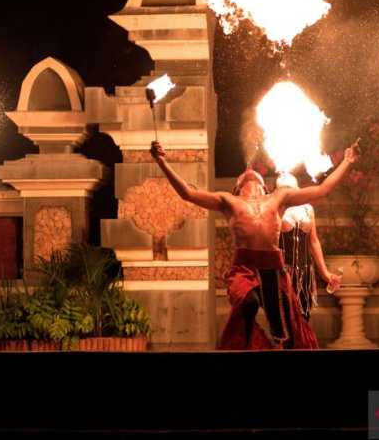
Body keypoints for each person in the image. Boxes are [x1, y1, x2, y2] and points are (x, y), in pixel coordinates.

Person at [150, 139, 360, 349]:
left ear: (265, 186)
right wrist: (161, 162)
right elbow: (188, 193)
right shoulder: (228, 201)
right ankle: (248, 345)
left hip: (274, 267)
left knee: (284, 330)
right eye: (244, 173)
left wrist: (347, 161)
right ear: (236, 187)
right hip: (244, 267)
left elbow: (323, 190)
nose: (249, 170)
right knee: (248, 302)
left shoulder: (279, 197)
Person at [277, 172, 341, 320]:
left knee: (304, 316)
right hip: (282, 272)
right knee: (285, 319)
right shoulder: (275, 208)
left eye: (290, 189)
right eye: (284, 189)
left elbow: (313, 241)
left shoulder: (307, 208)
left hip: (305, 271)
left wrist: (325, 273)